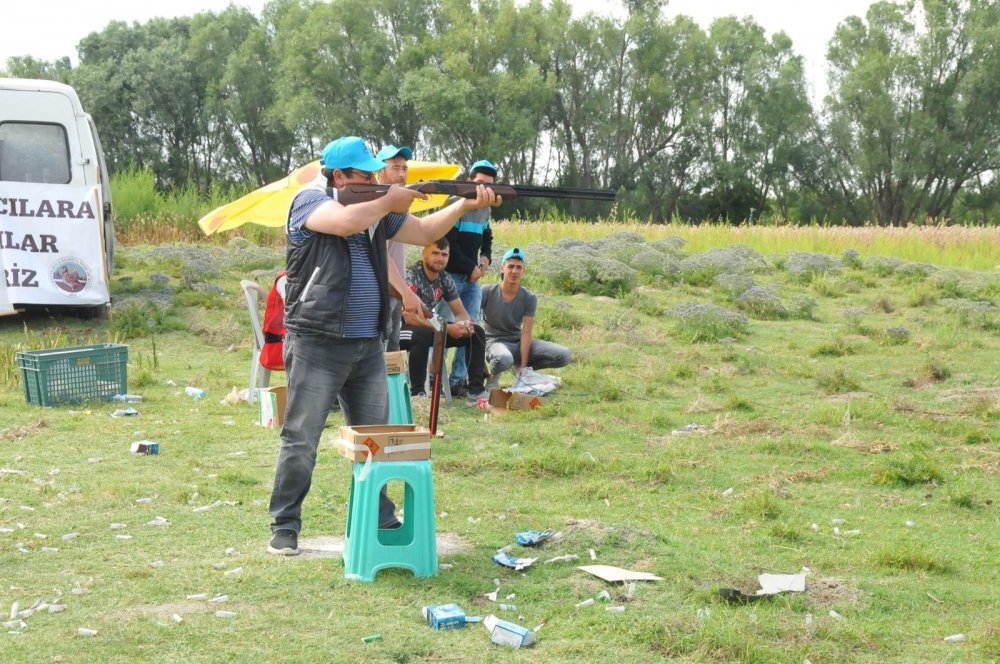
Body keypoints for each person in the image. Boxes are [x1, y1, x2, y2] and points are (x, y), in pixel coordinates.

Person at [268, 136, 500, 556]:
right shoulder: (310, 200)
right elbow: (343, 223)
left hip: (367, 345)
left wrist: (464, 205)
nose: (374, 179)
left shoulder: (375, 211)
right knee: (301, 437)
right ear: (340, 177)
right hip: (317, 342)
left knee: (376, 440)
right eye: (365, 174)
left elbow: (427, 230)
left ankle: (378, 517)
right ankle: (285, 525)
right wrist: (389, 199)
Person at [398, 238, 488, 403]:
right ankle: (418, 395)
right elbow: (410, 317)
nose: (440, 258)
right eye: (435, 253)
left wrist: (464, 325)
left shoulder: (445, 279)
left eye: (444, 254)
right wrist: (445, 328)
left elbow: (461, 313)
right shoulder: (412, 275)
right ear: (424, 253)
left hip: (431, 327)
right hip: (400, 329)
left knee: (477, 332)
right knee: (422, 334)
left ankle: (476, 390)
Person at [444, 159, 498, 396]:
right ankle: (435, 381)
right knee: (445, 330)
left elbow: (487, 237)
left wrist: (486, 258)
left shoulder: (485, 209)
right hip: (452, 276)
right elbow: (449, 244)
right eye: (480, 183)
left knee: (471, 329)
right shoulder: (455, 203)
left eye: (489, 185)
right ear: (469, 181)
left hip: (472, 279)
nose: (484, 189)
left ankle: (457, 381)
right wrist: (471, 268)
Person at [481, 247, 572, 384]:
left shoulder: (529, 297)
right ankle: (493, 380)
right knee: (504, 359)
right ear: (502, 268)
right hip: (494, 343)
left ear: (524, 271)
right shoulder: (487, 291)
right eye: (510, 266)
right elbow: (472, 322)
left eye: (519, 267)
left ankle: (523, 371)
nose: (514, 271)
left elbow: (526, 333)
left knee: (564, 355)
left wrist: (523, 368)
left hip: (517, 342)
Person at [375, 145, 424, 351]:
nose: (402, 174)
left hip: (394, 293)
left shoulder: (396, 204)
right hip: (385, 292)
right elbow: (382, 255)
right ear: (380, 172)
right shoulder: (379, 202)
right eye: (395, 168)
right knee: (383, 355)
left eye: (404, 168)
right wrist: (406, 292)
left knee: (393, 358)